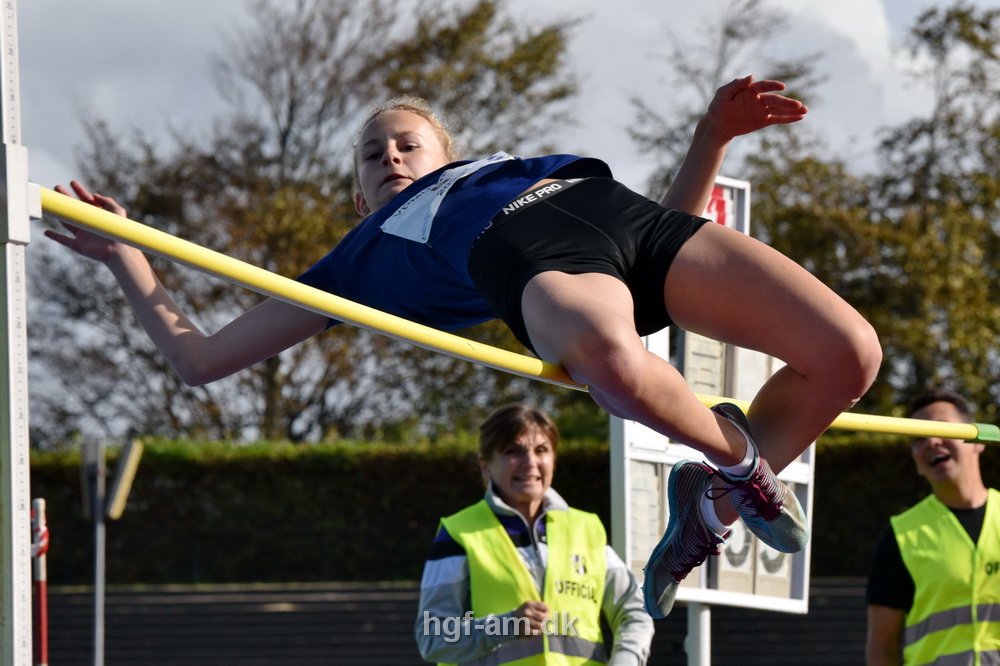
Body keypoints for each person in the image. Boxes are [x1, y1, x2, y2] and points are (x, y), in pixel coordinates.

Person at [46, 76, 881, 619]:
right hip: (530, 255)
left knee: (851, 352)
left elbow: (648, 271)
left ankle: (717, 495)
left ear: (449, 152)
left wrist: (712, 136)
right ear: (361, 190)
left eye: (408, 142)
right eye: (372, 156)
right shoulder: (360, 258)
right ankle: (736, 466)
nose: (391, 156)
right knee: (615, 364)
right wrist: (129, 255)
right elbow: (199, 361)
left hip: (623, 218)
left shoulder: (512, 163)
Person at [415, 403, 654, 664]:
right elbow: (432, 637)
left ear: (553, 460)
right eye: (512, 451)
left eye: (541, 450)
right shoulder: (458, 532)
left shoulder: (587, 529)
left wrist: (626, 660)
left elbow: (635, 611)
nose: (530, 462)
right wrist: (505, 627)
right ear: (486, 466)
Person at [865, 389, 1000, 665]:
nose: (932, 442)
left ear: (978, 440)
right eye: (919, 438)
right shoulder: (900, 536)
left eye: (942, 430)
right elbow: (883, 648)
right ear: (916, 462)